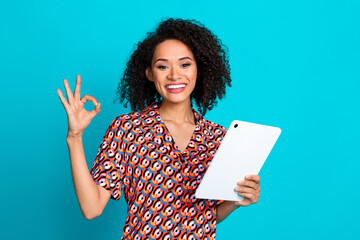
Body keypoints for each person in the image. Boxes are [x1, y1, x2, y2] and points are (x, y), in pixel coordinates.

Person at [57, 18, 261, 240]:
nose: (174, 75)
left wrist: (237, 201)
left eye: (185, 64)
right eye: (163, 66)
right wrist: (74, 137)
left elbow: (207, 216)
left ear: (198, 70)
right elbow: (92, 208)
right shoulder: (128, 129)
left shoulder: (217, 137)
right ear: (149, 73)